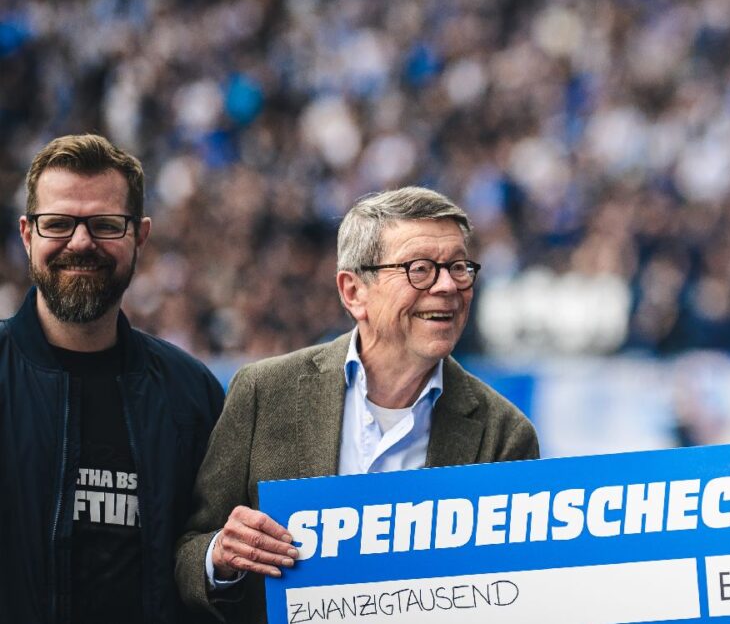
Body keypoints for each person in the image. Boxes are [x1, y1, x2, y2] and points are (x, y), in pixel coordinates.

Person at [175, 187, 539, 623]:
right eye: (420, 269)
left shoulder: (505, 433)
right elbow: (190, 550)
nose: (448, 286)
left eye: (459, 267)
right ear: (353, 292)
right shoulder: (264, 392)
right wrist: (220, 556)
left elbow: (515, 599)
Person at [0, 134, 226, 623]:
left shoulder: (191, 394)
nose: (80, 242)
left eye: (104, 225)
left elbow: (208, 564)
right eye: (58, 224)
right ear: (26, 234)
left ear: (139, 235)